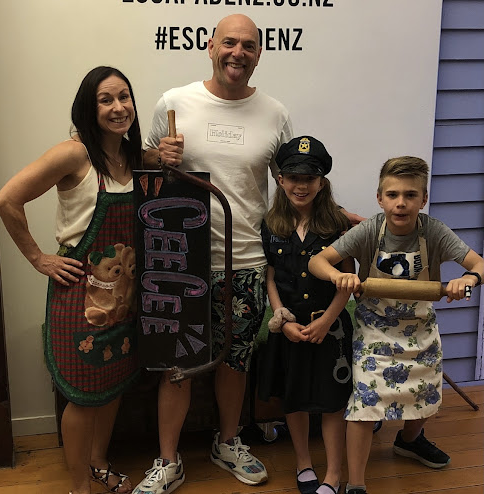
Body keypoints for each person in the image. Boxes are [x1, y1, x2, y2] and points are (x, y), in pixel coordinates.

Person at [136, 14, 362, 494]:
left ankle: (228, 441)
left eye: (249, 45)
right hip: (182, 260)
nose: (238, 52)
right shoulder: (174, 102)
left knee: (234, 361)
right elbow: (143, 162)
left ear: (259, 53)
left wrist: (341, 216)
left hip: (247, 262)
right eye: (230, 42)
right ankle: (168, 460)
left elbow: (295, 181)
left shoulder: (274, 113)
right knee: (177, 365)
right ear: (211, 46)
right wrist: (157, 156)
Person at [0, 66, 142, 494]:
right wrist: (38, 257)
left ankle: (98, 464)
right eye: (106, 100)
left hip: (123, 296)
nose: (118, 107)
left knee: (110, 385)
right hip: (78, 296)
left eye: (124, 97)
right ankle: (80, 487)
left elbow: (158, 159)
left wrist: (167, 152)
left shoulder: (132, 156)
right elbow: (6, 199)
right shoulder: (73, 155)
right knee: (82, 395)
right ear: (88, 109)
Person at [308, 156, 484, 494]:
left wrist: (468, 279)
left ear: (423, 199)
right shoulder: (369, 231)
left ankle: (409, 440)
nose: (400, 203)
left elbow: (478, 264)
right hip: (374, 330)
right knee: (365, 404)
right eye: (392, 195)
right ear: (379, 198)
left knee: (426, 393)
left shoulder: (434, 232)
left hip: (419, 329)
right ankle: (356, 483)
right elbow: (318, 261)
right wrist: (338, 276)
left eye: (410, 195)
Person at [257, 136, 354, 494]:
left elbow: (347, 279)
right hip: (291, 327)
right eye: (293, 178)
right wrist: (282, 318)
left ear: (321, 182)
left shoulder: (338, 224)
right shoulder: (271, 224)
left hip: (331, 327)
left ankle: (334, 474)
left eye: (309, 178)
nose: (301, 186)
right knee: (293, 398)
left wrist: (327, 321)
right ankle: (303, 462)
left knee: (332, 403)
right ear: (280, 180)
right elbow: (270, 276)